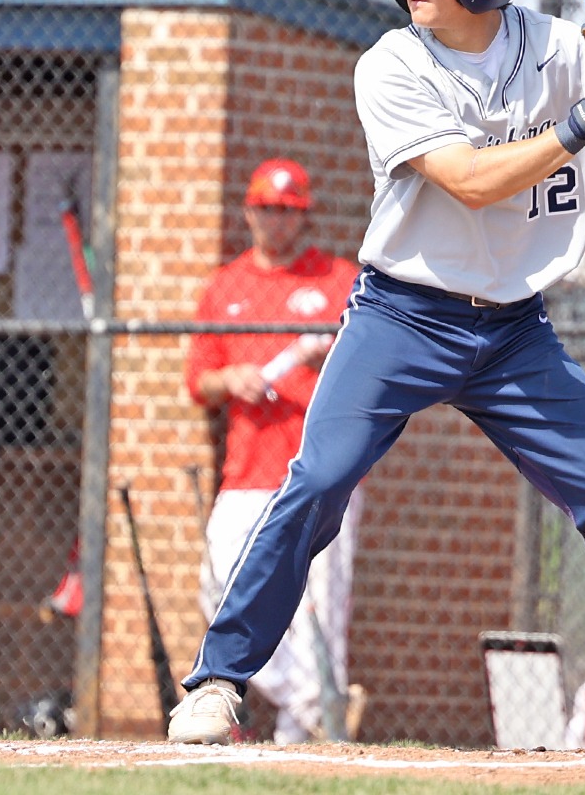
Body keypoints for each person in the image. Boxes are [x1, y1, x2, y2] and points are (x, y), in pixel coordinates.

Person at [167, 0, 585, 753]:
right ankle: (218, 681)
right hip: (403, 314)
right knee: (318, 483)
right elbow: (472, 181)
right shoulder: (391, 64)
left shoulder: (555, 47)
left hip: (516, 331)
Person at [183, 158, 360, 743]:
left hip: (320, 469)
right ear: (248, 211)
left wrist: (324, 356)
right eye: (265, 209)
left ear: (303, 216)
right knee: (221, 585)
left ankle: (301, 735)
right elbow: (198, 382)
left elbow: (373, 367)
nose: (274, 222)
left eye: (286, 211)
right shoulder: (226, 284)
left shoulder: (338, 279)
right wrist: (231, 378)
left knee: (321, 609)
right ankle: (313, 705)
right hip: (247, 468)